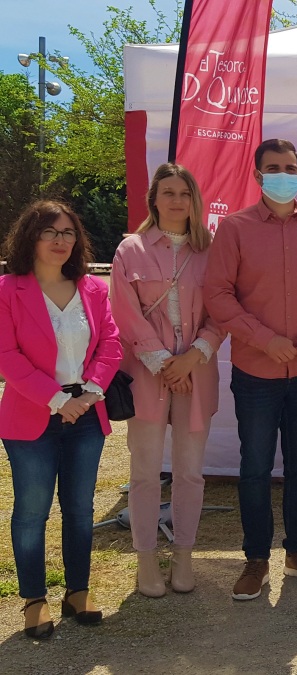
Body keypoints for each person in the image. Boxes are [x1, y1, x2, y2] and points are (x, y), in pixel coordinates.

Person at [204, 139, 297, 600]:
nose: (282, 173)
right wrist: (266, 339)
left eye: (290, 167)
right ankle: (256, 559)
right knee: (255, 467)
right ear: (257, 174)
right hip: (256, 373)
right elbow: (218, 295)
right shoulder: (235, 228)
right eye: (273, 167)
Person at [0, 200, 122, 638]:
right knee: (32, 512)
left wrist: (91, 392)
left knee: (80, 509)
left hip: (87, 413)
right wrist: (56, 399)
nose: (60, 240)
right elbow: (6, 357)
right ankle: (34, 597)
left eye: (68, 232)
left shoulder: (93, 288)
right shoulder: (7, 289)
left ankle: (77, 591)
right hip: (31, 418)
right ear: (29, 237)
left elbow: (111, 342)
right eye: (50, 232)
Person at [111, 163, 225, 598]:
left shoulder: (212, 251)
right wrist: (163, 362)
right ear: (154, 200)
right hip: (146, 373)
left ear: (195, 201)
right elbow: (124, 313)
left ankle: (183, 554)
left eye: (185, 193)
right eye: (168, 193)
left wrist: (194, 356)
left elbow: (222, 311)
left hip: (197, 371)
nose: (177, 200)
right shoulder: (131, 250)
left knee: (191, 473)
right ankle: (145, 559)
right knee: (144, 473)